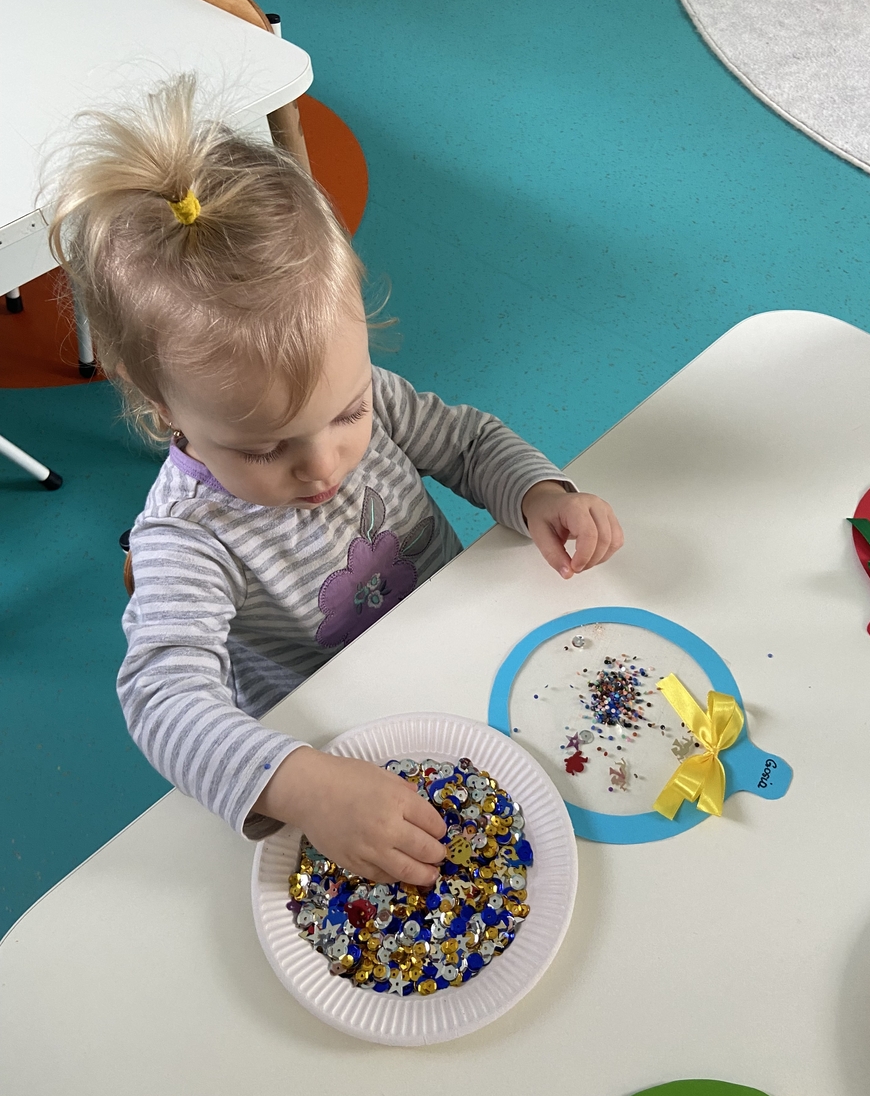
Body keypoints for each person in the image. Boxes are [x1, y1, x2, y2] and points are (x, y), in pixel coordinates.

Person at [49, 75, 623, 887]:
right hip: (343, 743)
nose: (323, 464)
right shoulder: (186, 536)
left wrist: (540, 496)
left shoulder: (369, 396)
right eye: (264, 448)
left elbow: (466, 443)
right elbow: (163, 699)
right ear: (163, 407)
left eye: (347, 412)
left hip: (464, 647)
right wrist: (305, 787)